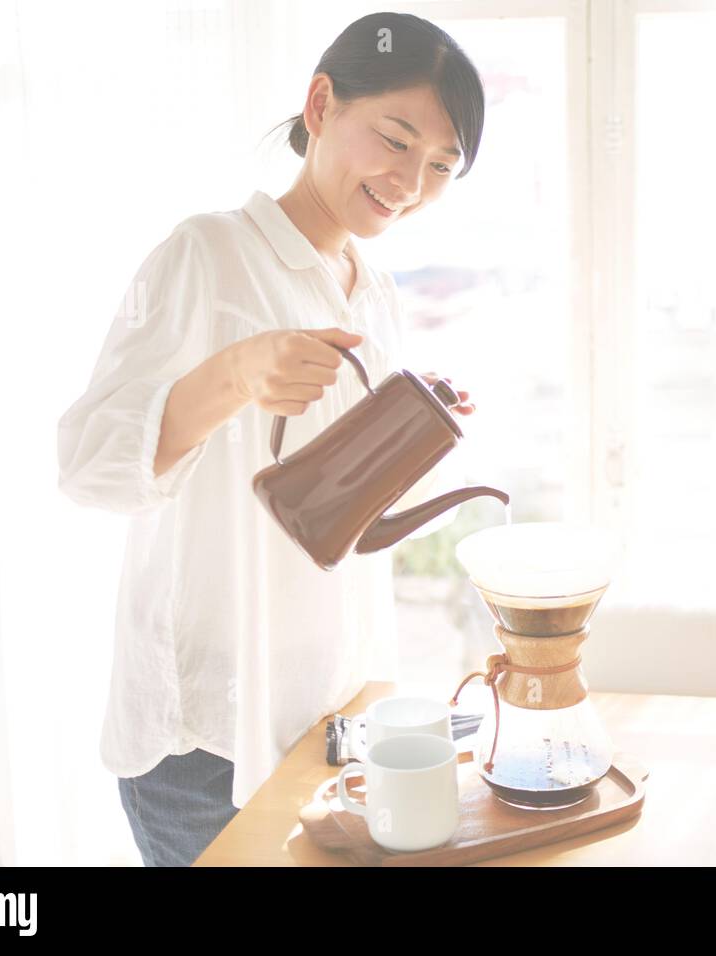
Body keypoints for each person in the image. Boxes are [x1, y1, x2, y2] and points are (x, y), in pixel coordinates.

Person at [56, 11, 485, 867]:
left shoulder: (373, 289)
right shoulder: (206, 254)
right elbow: (86, 465)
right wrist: (237, 374)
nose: (410, 181)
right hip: (206, 741)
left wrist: (414, 428)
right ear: (321, 104)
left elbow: (337, 507)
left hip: (327, 713)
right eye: (395, 140)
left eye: (440, 166)